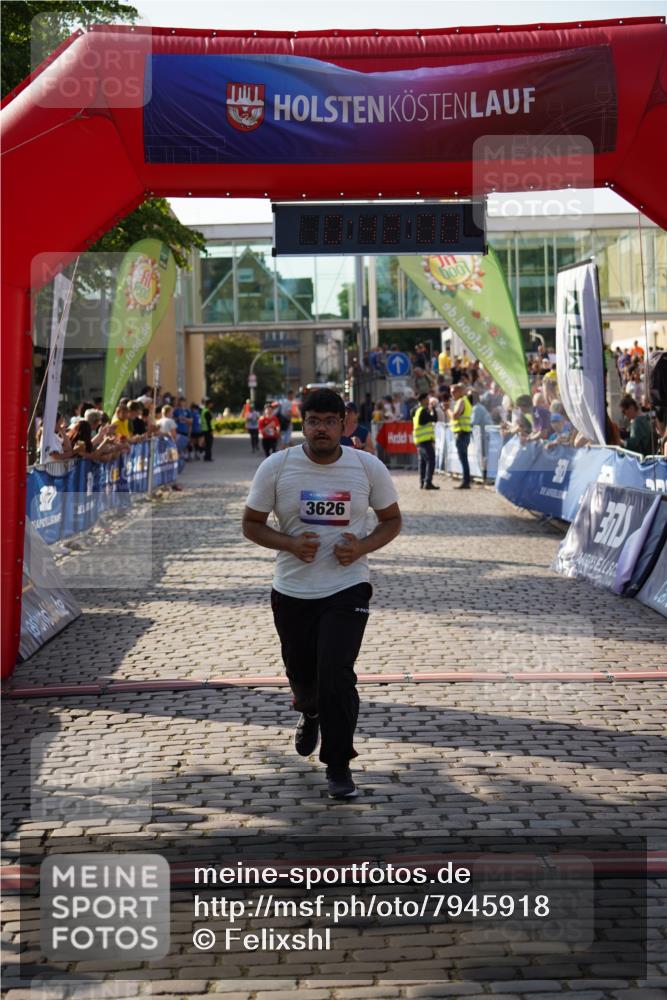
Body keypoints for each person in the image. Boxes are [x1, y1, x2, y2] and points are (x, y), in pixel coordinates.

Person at [242, 388, 402, 800]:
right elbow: (251, 524)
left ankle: (339, 764)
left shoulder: (367, 467)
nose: (322, 429)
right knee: (303, 673)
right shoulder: (277, 467)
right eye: (314, 421)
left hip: (348, 586)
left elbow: (391, 520)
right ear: (303, 422)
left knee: (336, 673)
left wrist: (362, 547)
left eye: (331, 421)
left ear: (345, 424)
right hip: (292, 589)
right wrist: (290, 544)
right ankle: (308, 709)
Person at [412, 391, 439, 490]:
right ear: (423, 400)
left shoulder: (416, 410)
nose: (428, 400)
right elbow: (434, 419)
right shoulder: (422, 411)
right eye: (427, 399)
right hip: (425, 440)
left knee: (423, 462)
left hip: (419, 440)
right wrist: (434, 409)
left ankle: (422, 482)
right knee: (431, 460)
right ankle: (428, 482)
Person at [450, 383, 473, 488]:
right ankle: (466, 481)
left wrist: (447, 411)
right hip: (464, 433)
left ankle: (466, 482)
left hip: (462, 434)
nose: (452, 394)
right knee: (464, 459)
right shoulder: (464, 401)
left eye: (454, 392)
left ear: (459, 392)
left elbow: (455, 416)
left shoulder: (461, 401)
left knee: (463, 459)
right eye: (451, 392)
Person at [200, 397, 214, 462]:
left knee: (207, 444)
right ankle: (208, 457)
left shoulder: (204, 411)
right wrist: (211, 430)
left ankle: (207, 456)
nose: (212, 405)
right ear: (208, 404)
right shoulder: (207, 411)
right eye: (211, 403)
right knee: (209, 444)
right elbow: (208, 422)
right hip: (207, 430)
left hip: (204, 429)